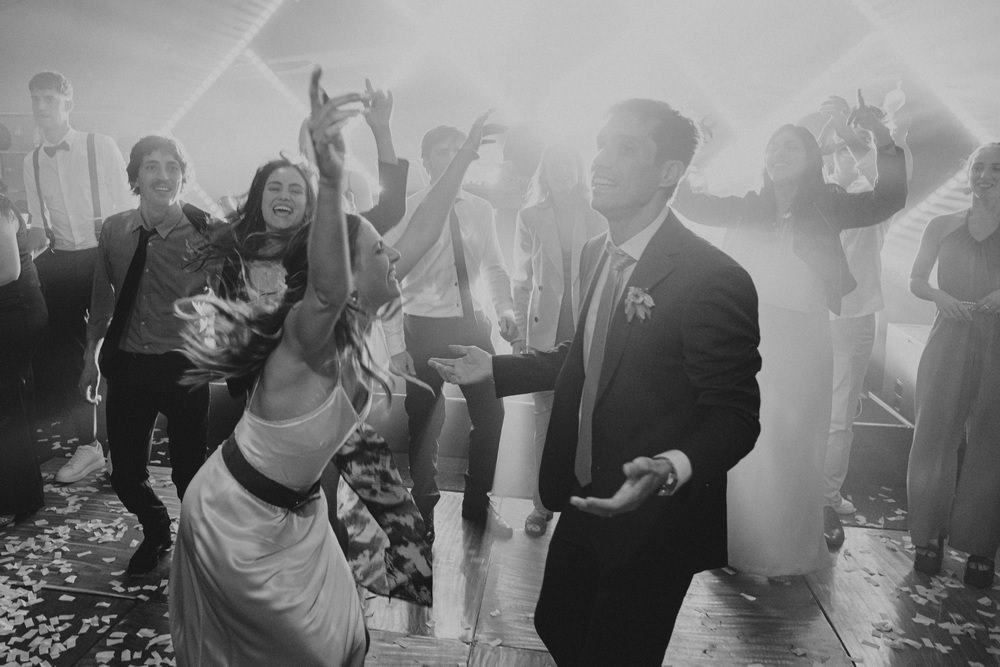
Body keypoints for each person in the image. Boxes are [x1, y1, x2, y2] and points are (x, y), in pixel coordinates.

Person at [429, 98, 762, 665]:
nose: (600, 159)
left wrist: (670, 467)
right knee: (558, 624)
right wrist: (497, 368)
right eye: (602, 143)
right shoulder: (595, 254)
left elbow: (735, 416)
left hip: (654, 519)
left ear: (668, 173)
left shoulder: (714, 278)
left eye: (625, 147)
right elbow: (584, 358)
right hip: (586, 496)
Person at [169, 69, 388, 666]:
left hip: (302, 470)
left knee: (341, 627)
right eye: (275, 187)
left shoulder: (322, 261)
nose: (285, 196)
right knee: (284, 643)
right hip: (246, 462)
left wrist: (361, 156)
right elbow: (315, 302)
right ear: (260, 196)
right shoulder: (241, 260)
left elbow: (347, 274)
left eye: (298, 188)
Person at [674, 105, 906, 575]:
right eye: (773, 146)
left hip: (803, 338)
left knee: (792, 444)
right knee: (741, 441)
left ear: (811, 157)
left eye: (791, 146)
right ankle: (730, 543)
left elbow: (889, 197)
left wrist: (882, 139)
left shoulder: (828, 203)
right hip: (747, 339)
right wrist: (699, 150)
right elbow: (687, 202)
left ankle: (781, 549)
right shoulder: (748, 205)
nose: (779, 153)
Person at [79, 135, 214, 575]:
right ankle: (156, 528)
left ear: (183, 174)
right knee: (124, 474)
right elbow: (101, 304)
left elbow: (237, 300)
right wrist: (90, 362)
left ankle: (197, 546)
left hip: (184, 364)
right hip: (130, 363)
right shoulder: (115, 230)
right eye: (151, 166)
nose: (162, 175)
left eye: (171, 166)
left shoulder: (206, 231)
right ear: (135, 176)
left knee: (190, 473)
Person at [384, 123, 519, 542]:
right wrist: (394, 346)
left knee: (492, 416)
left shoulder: (481, 209)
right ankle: (423, 510)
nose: (451, 158)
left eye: (457, 151)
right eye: (442, 152)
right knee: (424, 424)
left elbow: (495, 268)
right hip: (421, 326)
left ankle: (477, 504)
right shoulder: (406, 210)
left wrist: (505, 310)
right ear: (426, 161)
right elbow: (386, 279)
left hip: (472, 325)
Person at [22, 71, 134, 484]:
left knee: (118, 352)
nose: (40, 107)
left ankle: (125, 446)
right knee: (73, 360)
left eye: (49, 99)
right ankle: (89, 446)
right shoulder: (30, 159)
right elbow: (37, 228)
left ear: (68, 103)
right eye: (35, 99)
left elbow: (127, 209)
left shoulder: (98, 145)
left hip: (106, 256)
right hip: (62, 262)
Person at [817, 89, 913, 547]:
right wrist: (836, 126)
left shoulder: (871, 202)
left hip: (850, 317)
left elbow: (886, 170)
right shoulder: (824, 197)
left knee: (837, 413)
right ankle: (815, 495)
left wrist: (860, 128)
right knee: (821, 410)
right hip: (811, 312)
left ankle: (824, 497)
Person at [906, 142, 1000, 589]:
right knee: (934, 433)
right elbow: (917, 279)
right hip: (950, 334)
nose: (984, 175)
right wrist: (940, 297)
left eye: (995, 168)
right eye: (978, 166)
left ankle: (982, 546)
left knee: (992, 441)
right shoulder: (942, 224)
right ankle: (928, 537)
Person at [510, 143, 606, 536]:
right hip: (543, 333)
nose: (562, 171)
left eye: (569, 163)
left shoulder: (599, 214)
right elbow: (520, 278)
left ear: (579, 170)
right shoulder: (530, 216)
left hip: (592, 330)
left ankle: (586, 506)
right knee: (545, 421)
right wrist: (518, 332)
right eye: (554, 166)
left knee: (592, 421)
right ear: (544, 172)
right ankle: (541, 505)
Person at [0, 193, 47, 529]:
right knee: (13, 402)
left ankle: (22, 497)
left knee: (9, 406)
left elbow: (8, 270)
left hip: (15, 313)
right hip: (12, 311)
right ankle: (22, 494)